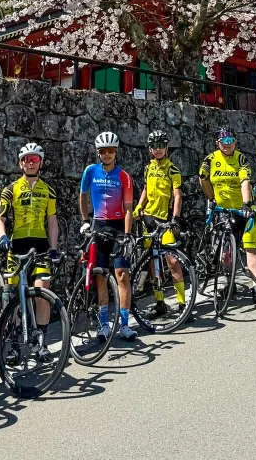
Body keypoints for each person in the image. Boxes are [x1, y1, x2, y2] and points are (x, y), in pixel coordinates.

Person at [0, 141, 59, 360]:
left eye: (34, 159)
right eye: (26, 160)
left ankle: (40, 342)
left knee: (43, 292)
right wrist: (2, 237)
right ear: (20, 164)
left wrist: (53, 248)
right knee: (13, 297)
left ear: (40, 163)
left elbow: (52, 222)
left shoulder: (48, 190)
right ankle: (13, 343)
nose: (30, 163)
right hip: (17, 247)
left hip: (40, 248)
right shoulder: (10, 190)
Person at [79, 131, 137, 341]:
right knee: (100, 276)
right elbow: (83, 195)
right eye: (103, 151)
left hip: (118, 226)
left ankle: (124, 324)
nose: (107, 154)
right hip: (98, 225)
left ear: (116, 152)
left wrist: (128, 235)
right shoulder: (90, 171)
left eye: (110, 151)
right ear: (98, 152)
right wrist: (85, 220)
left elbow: (129, 208)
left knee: (122, 275)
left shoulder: (124, 176)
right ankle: (103, 324)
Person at [199, 127, 256, 305]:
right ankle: (230, 283)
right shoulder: (211, 159)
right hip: (223, 210)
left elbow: (245, 181)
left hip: (243, 208)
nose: (227, 145)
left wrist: (246, 204)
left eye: (230, 141)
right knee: (224, 253)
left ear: (235, 142)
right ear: (217, 143)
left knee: (251, 248)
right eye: (223, 141)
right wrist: (211, 198)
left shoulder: (241, 158)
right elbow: (202, 178)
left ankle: (255, 287)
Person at [133, 129, 189, 320]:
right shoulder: (148, 168)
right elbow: (146, 190)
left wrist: (175, 218)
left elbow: (177, 195)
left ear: (166, 148)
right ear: (150, 149)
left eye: (161, 146)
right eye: (154, 146)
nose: (157, 150)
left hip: (164, 221)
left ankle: (182, 304)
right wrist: (139, 206)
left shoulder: (172, 169)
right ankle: (160, 303)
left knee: (172, 262)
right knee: (153, 264)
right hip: (148, 219)